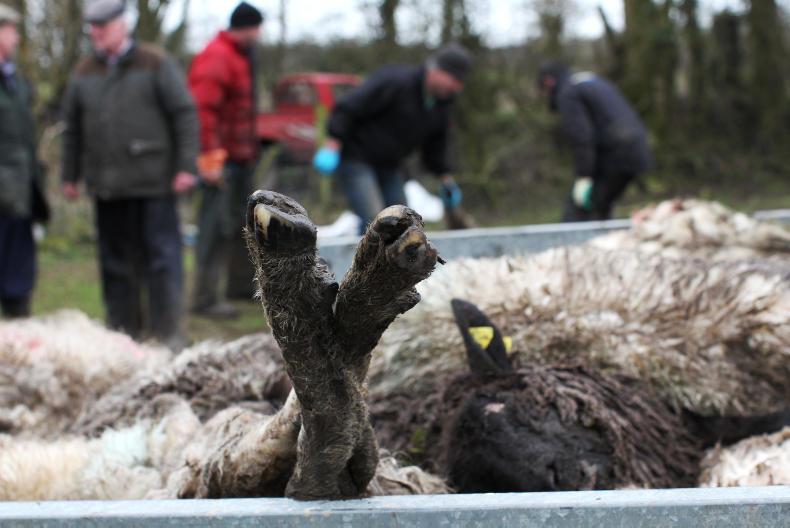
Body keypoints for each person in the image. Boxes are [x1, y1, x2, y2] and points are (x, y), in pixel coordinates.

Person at [61, 0, 198, 349]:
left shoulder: (155, 62)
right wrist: (69, 174)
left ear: (123, 26)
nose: (96, 33)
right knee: (115, 267)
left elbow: (184, 115)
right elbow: (72, 128)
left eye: (103, 27)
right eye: (92, 27)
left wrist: (185, 167)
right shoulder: (82, 71)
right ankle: (123, 338)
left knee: (161, 263)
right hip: (107, 188)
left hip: (153, 184)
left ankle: (167, 336)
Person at [315, 43, 471, 233]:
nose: (457, 87)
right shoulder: (395, 82)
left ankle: (393, 262)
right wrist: (333, 142)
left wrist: (445, 179)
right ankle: (362, 261)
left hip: (390, 166)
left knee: (403, 225)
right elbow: (349, 107)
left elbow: (435, 146)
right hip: (357, 158)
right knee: (374, 222)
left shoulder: (440, 106)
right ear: (436, 70)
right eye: (454, 79)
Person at [188, 2, 264, 317]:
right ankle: (204, 299)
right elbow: (203, 112)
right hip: (221, 161)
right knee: (213, 228)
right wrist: (210, 158)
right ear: (245, 27)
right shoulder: (218, 56)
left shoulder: (241, 56)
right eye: (257, 28)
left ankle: (240, 287)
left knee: (241, 225)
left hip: (240, 157)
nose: (259, 35)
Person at [538, 61, 652, 222]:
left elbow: (582, 137)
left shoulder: (568, 93)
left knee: (579, 210)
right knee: (600, 206)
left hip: (617, 153)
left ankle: (573, 245)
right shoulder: (588, 81)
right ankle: (607, 240)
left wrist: (584, 176)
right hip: (636, 148)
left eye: (545, 91)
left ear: (548, 82)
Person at [0, 4, 49, 318]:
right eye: (12, 30)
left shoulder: (14, 81)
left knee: (17, 277)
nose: (17, 37)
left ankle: (16, 343)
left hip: (18, 192)